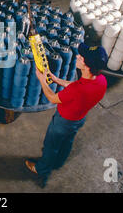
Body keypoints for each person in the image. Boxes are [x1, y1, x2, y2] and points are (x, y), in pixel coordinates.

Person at [25, 43, 108, 188]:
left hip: (63, 122)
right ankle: (58, 162)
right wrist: (56, 79)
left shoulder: (78, 90)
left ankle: (41, 169)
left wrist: (42, 80)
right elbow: (75, 86)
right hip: (79, 119)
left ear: (86, 65)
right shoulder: (101, 80)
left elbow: (52, 97)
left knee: (51, 146)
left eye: (81, 57)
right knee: (67, 142)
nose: (77, 56)